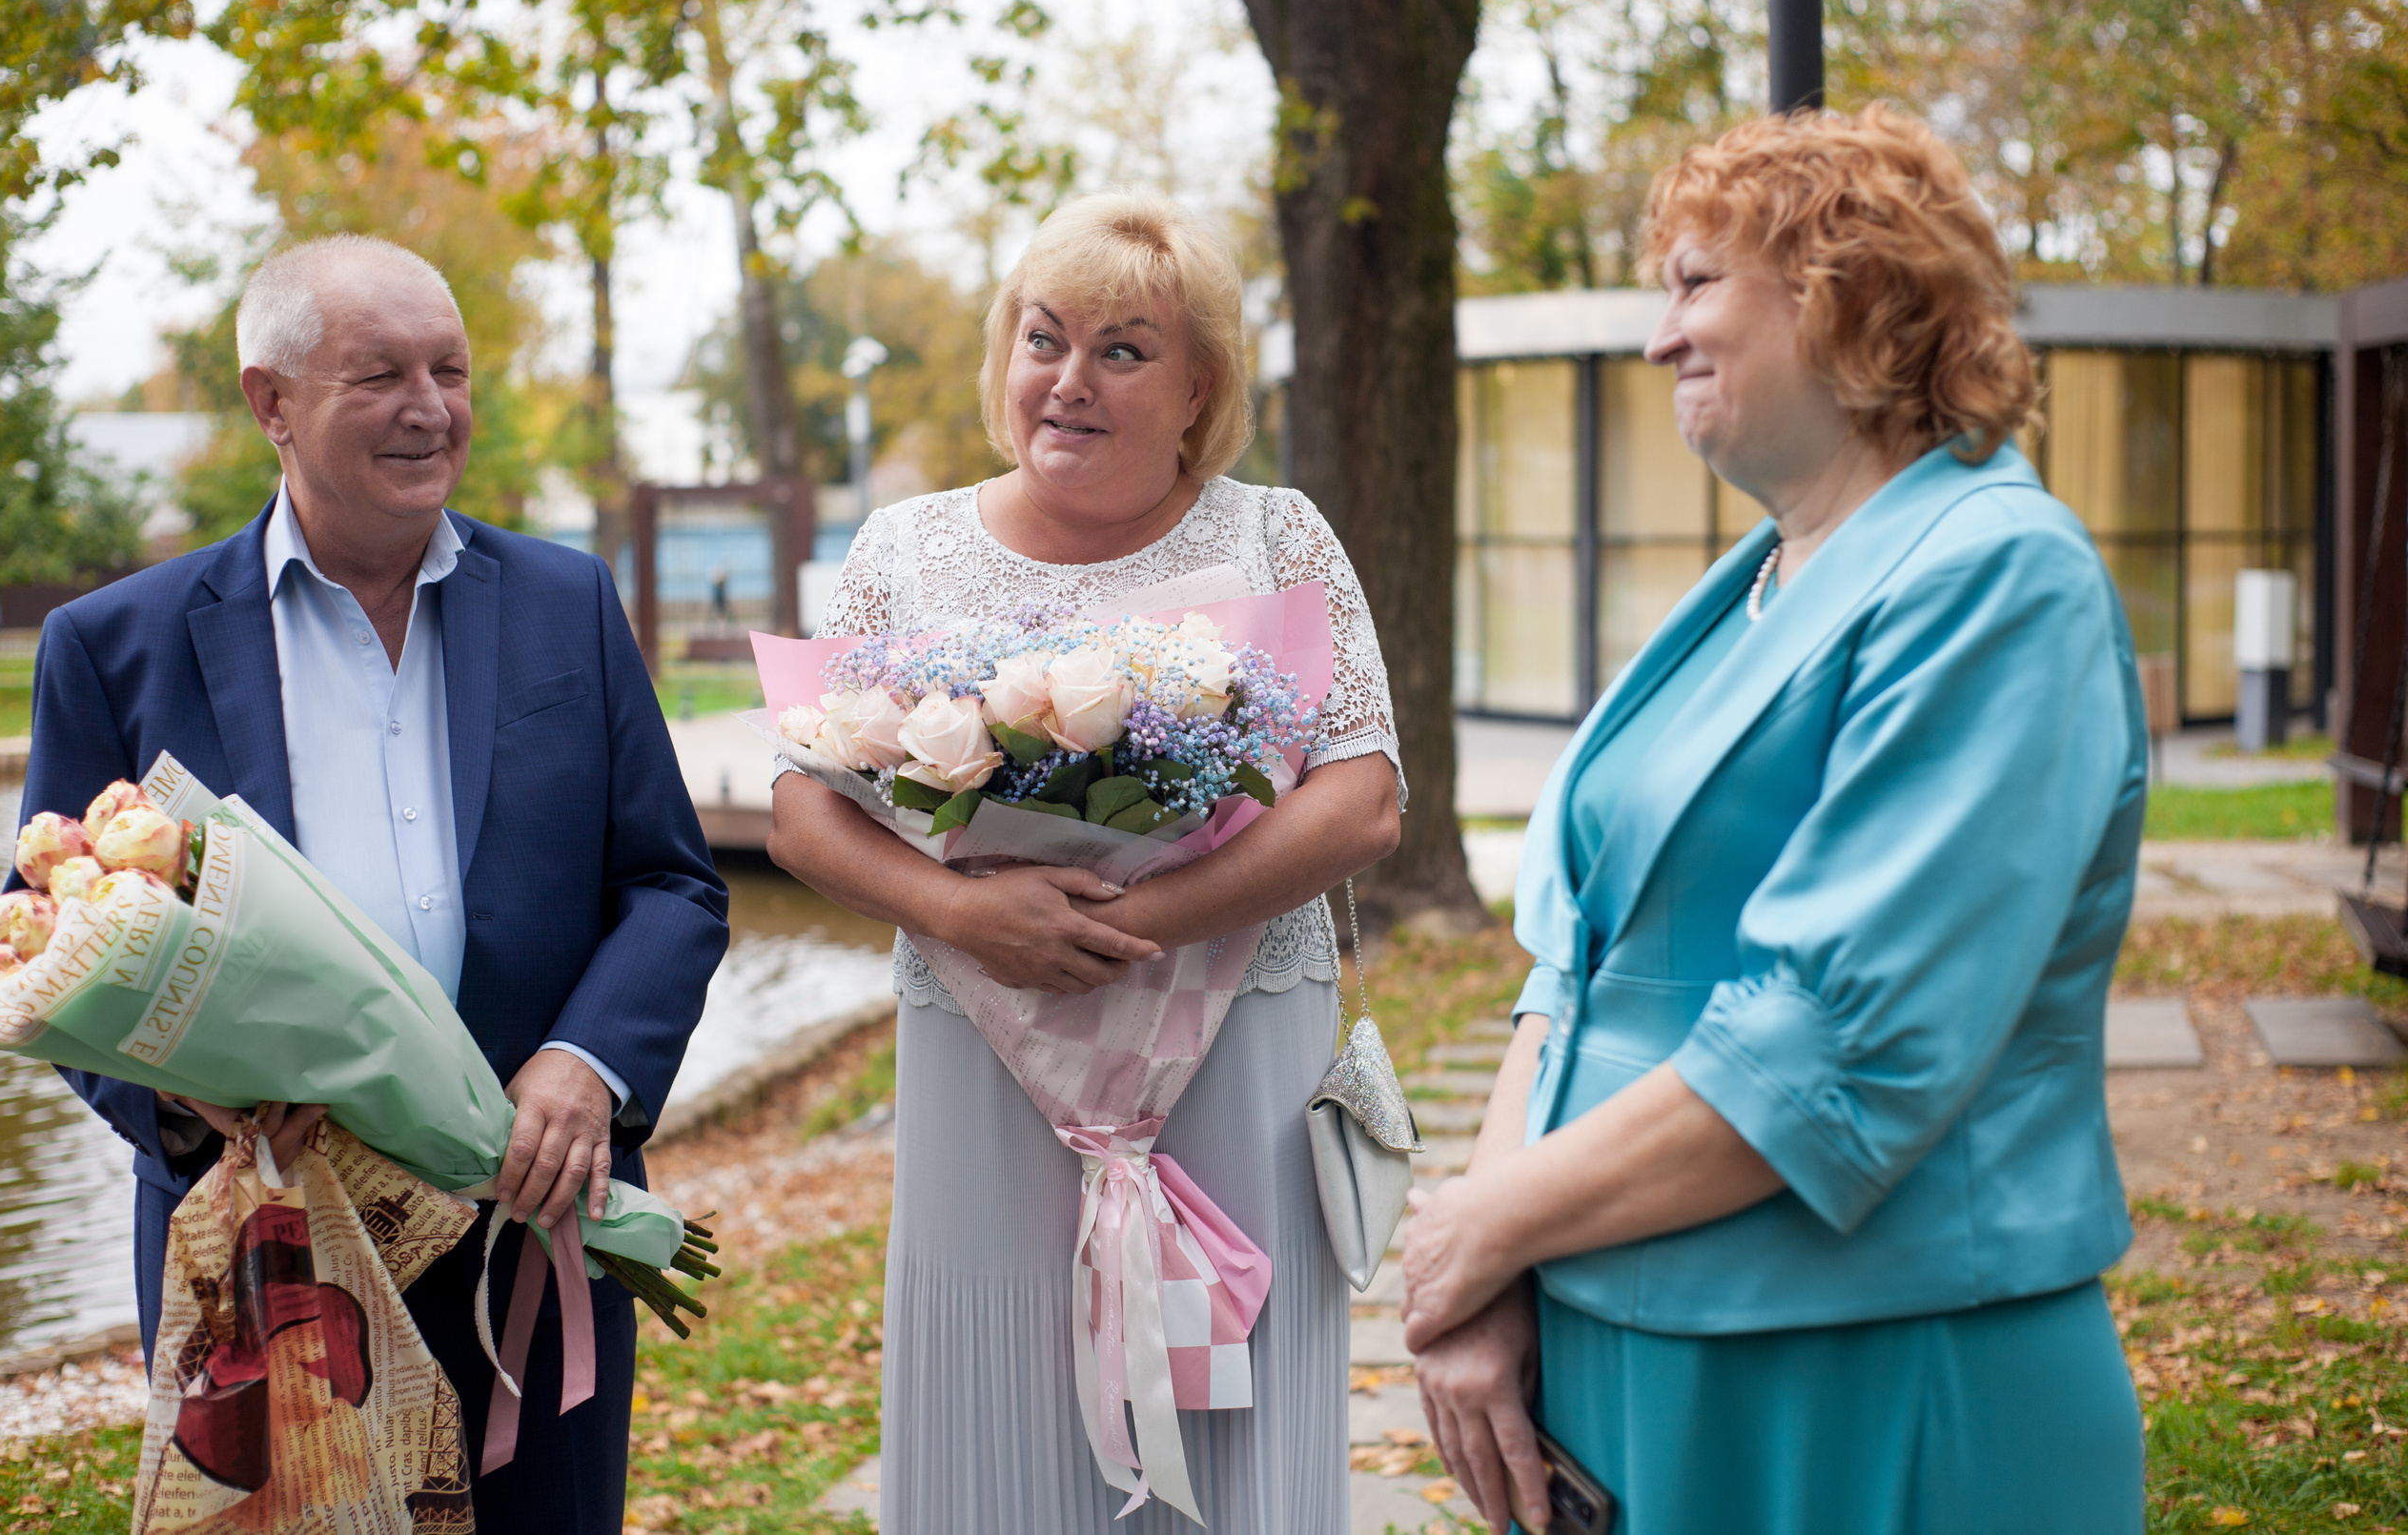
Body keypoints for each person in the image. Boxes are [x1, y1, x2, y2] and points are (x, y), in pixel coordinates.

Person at [1400, 106, 2150, 1535]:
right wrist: (1487, 1286)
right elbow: (1568, 976)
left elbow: (1831, 1044)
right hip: (1625, 1360)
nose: (1655, 337)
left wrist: (1485, 1225)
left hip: (1873, 1363)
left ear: (1840, 292)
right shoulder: (1753, 585)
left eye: (1692, 284)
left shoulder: (1998, 580)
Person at [20, 235, 728, 1534]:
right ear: (269, 402)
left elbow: (672, 884)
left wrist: (587, 1060)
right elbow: (56, 951)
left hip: (533, 1228)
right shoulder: (110, 647)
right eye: (380, 373)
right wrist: (189, 1105)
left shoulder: (569, 603)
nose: (429, 407)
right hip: (272, 1251)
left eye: (449, 371)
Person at [765, 191, 1404, 1532]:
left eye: (1124, 349)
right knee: (995, 1385)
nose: (1070, 379)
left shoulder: (1276, 537)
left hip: (1234, 1041)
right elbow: (805, 809)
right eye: (1044, 338)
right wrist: (959, 910)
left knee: (1239, 1400)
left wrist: (1150, 916)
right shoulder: (906, 550)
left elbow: (1361, 801)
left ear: (1199, 390)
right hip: (989, 1051)